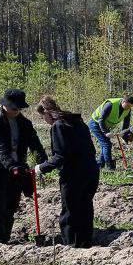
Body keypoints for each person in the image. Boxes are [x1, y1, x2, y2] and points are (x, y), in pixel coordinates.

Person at [0, 89, 47, 243]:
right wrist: (12, 165)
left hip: (17, 172)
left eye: (19, 109)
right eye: (14, 108)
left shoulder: (24, 123)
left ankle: (5, 240)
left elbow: (35, 144)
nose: (16, 111)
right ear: (4, 105)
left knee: (10, 208)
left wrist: (42, 162)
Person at [34, 97, 99, 247]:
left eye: (42, 117)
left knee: (70, 212)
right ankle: (85, 243)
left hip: (74, 175)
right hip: (91, 170)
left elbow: (61, 156)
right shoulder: (78, 122)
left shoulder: (58, 126)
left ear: (46, 113)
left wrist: (41, 168)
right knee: (85, 208)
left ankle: (70, 246)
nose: (44, 121)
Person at [89, 96, 133, 170]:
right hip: (96, 123)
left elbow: (126, 125)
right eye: (127, 106)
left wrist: (123, 135)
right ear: (124, 101)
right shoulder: (110, 104)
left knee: (105, 145)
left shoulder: (128, 110)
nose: (128, 108)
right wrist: (106, 132)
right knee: (106, 144)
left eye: (130, 107)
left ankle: (100, 165)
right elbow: (101, 119)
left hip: (105, 125)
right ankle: (110, 167)